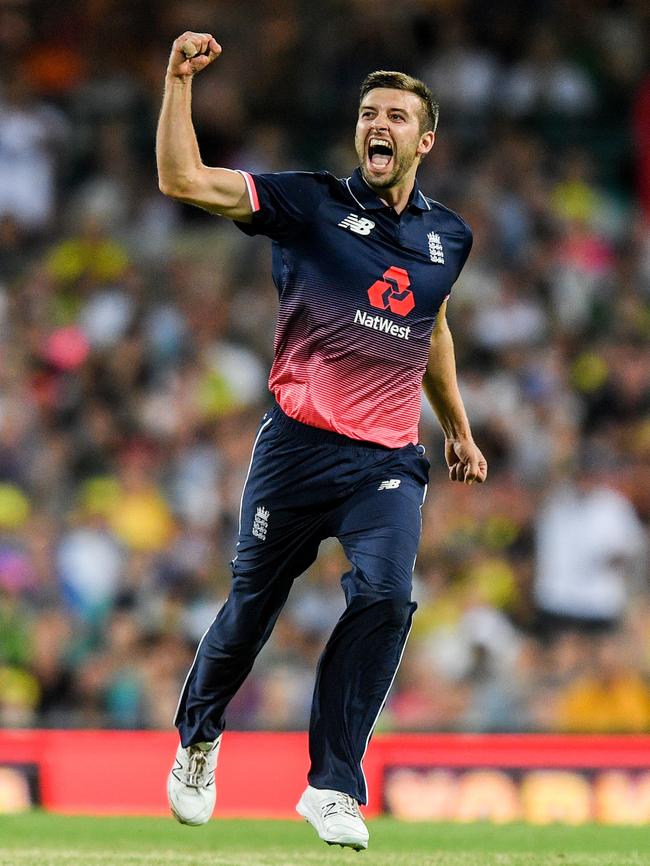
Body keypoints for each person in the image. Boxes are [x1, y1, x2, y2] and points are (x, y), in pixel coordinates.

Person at [157, 31, 487, 851]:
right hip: (297, 448)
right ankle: (199, 737)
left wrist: (458, 429)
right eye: (369, 113)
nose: (378, 124)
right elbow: (181, 179)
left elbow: (431, 325)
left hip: (384, 458)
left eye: (396, 116)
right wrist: (177, 83)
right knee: (251, 612)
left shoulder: (450, 239)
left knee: (385, 598)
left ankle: (334, 784)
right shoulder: (309, 203)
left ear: (424, 139)